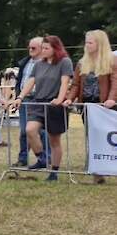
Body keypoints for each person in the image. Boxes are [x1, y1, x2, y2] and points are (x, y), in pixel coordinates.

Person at [12, 34, 73, 181]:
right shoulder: (39, 64)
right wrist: (20, 97)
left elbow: (65, 82)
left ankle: (54, 172)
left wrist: (59, 99)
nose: (43, 51)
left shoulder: (65, 62)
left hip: (54, 105)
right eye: (43, 48)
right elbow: (30, 82)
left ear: (55, 48)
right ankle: (42, 159)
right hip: (38, 103)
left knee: (54, 141)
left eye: (46, 48)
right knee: (30, 130)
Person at [64, 30, 116, 184]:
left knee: (109, 138)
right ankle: (97, 173)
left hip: (106, 107)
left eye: (90, 42)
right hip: (88, 106)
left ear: (100, 44)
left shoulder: (112, 61)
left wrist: (112, 99)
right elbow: (76, 84)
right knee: (92, 137)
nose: (87, 45)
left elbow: (115, 82)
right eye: (86, 42)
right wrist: (69, 99)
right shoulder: (82, 62)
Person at [12, 37, 48, 167]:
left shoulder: (46, 64)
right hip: (24, 99)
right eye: (29, 47)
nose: (30, 50)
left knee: (41, 131)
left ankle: (46, 158)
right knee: (23, 131)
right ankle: (23, 158)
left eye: (34, 48)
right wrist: (18, 95)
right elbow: (20, 80)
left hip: (38, 99)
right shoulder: (25, 62)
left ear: (41, 48)